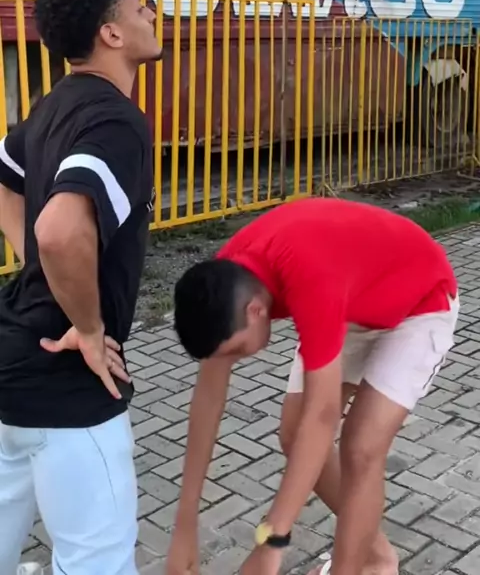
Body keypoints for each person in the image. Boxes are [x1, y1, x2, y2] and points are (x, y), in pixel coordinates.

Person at [167, 197, 459, 575]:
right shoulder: (222, 283)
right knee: (293, 433)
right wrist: (184, 523)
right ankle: (374, 556)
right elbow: (208, 399)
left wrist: (272, 540)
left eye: (237, 350)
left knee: (361, 447)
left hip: (419, 301)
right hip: (351, 301)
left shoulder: (310, 279)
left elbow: (321, 417)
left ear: (256, 310)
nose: (235, 360)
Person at [0, 0, 162, 575]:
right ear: (111, 33)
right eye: (141, 5)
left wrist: (36, 261)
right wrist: (91, 331)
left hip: (12, 363)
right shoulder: (118, 121)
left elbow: (5, 180)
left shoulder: (54, 105)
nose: (152, 13)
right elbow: (60, 231)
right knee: (99, 562)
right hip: (69, 384)